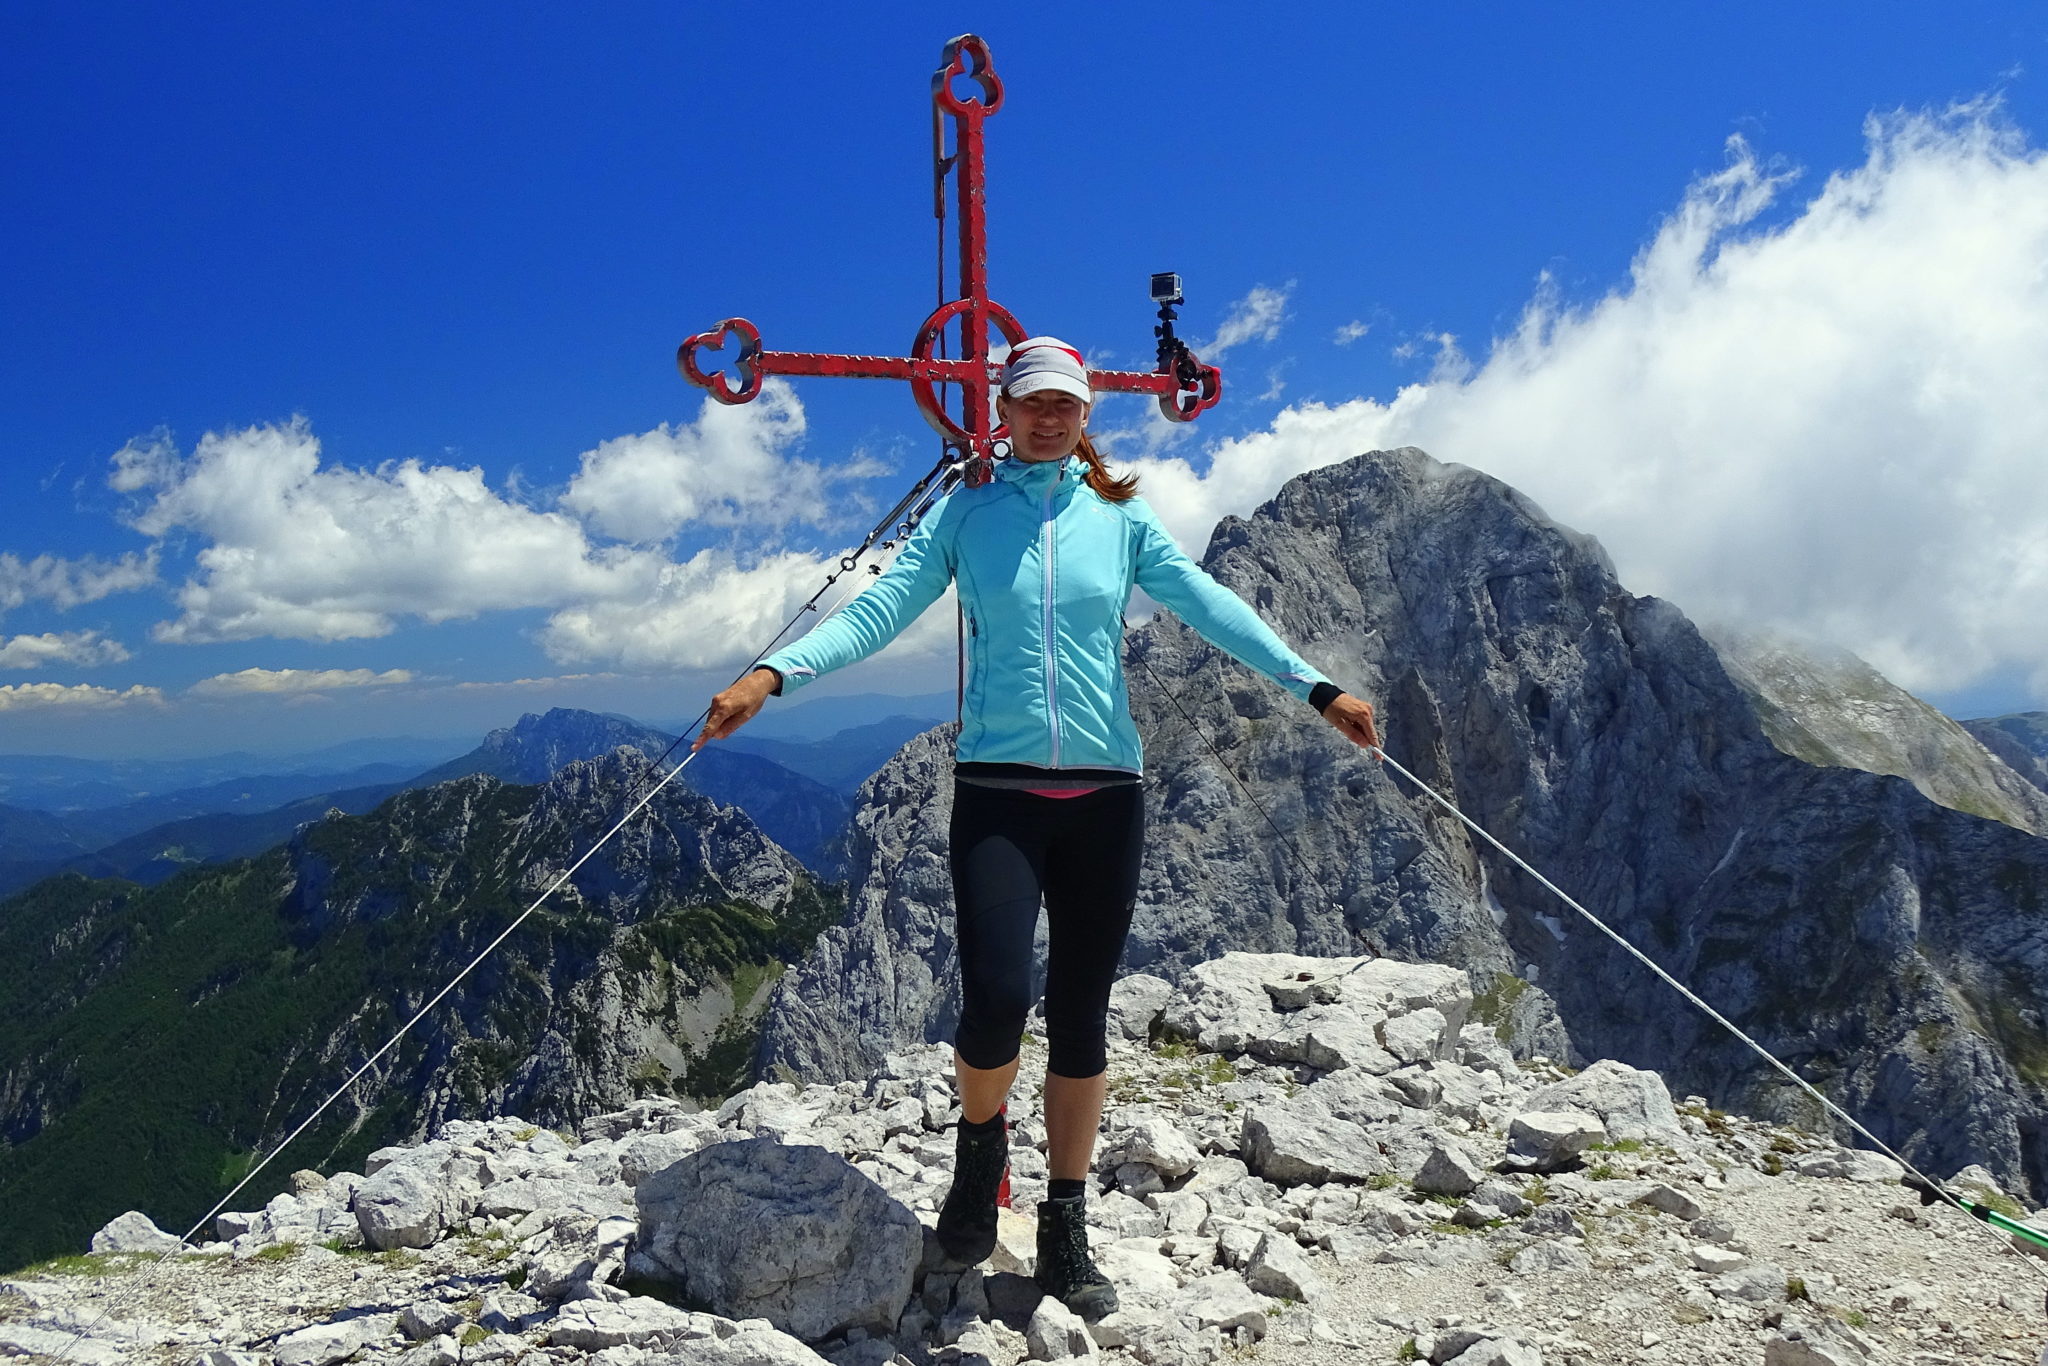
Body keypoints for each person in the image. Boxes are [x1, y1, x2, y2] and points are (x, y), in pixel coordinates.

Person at [695, 337, 1380, 1320]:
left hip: (1106, 794)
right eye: (1028, 404)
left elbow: (1209, 603)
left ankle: (1063, 1223)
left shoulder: (1121, 517)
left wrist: (1313, 686)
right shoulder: (965, 514)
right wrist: (774, 674)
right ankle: (980, 1164)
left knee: (1081, 1016)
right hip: (998, 791)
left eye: (1063, 403)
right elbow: (883, 605)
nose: (1046, 418)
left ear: (1085, 413)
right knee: (994, 1001)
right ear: (1002, 413)